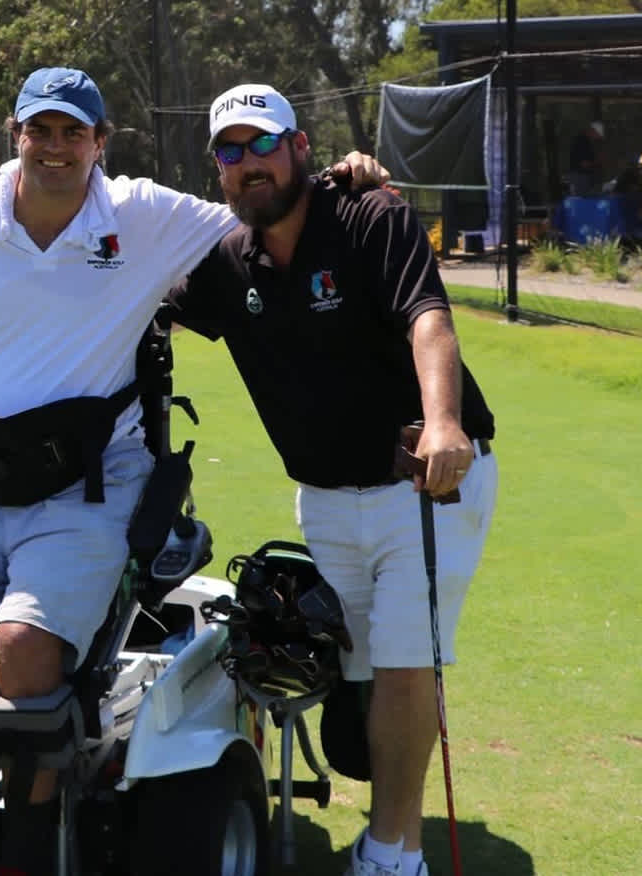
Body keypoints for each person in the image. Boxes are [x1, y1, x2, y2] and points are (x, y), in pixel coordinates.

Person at [0, 67, 386, 876]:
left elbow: (264, 202)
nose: (56, 147)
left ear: (100, 143)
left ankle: (27, 849)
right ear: (15, 132)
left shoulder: (142, 214)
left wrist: (346, 177)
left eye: (75, 132)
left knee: (22, 651)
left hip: (86, 485)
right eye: (42, 129)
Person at [161, 84, 499, 876]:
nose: (248, 164)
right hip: (324, 498)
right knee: (358, 695)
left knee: (406, 660)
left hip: (424, 485)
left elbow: (429, 319)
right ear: (217, 166)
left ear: (300, 147)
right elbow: (152, 315)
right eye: (230, 150)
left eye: (262, 144)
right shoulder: (227, 261)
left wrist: (443, 421)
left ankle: (393, 855)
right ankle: (389, 814)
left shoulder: (369, 216)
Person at [567, 120, 606, 195]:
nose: (597, 138)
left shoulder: (585, 141)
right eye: (597, 135)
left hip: (581, 177)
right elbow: (584, 164)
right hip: (580, 178)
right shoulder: (582, 142)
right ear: (593, 131)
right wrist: (598, 162)